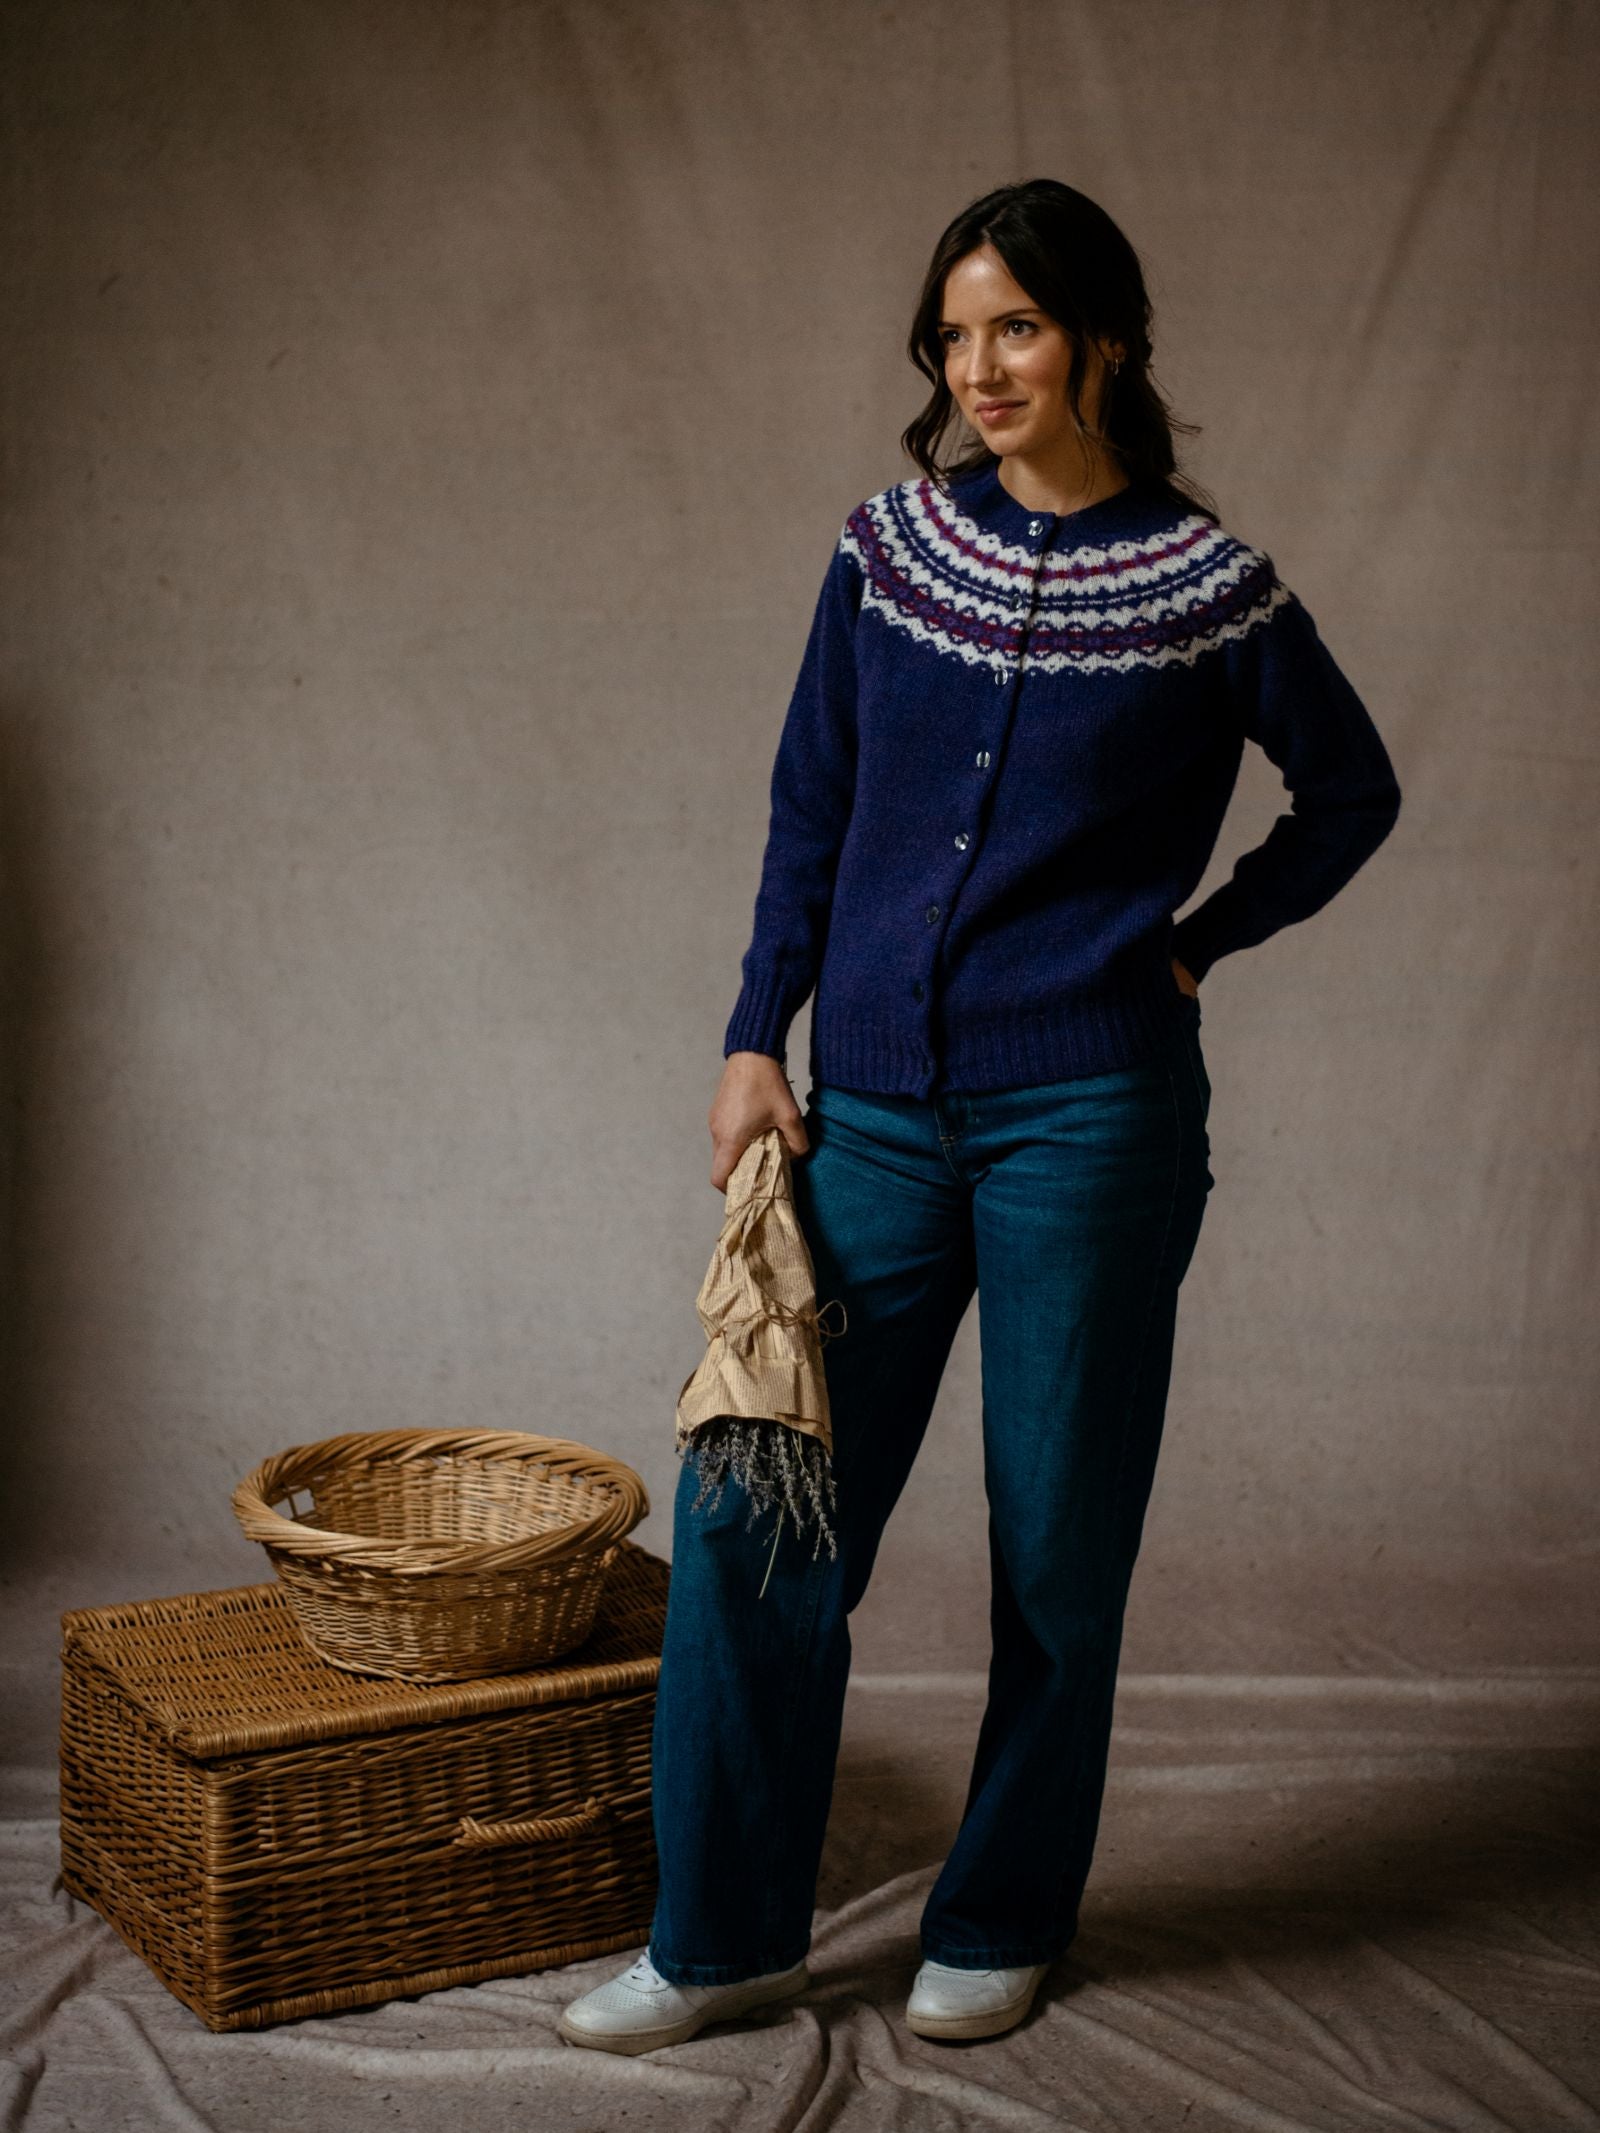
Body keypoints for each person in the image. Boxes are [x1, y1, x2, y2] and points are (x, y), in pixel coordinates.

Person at [560, 177, 1401, 2054]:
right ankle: (721, 1938)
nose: (980, 368)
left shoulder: (1207, 588)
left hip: (1089, 1125)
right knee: (756, 1507)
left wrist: (1196, 943)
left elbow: (1353, 793)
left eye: (1015, 325)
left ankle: (1005, 1909)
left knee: (1056, 1543)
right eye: (954, 335)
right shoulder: (887, 551)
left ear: (1104, 335)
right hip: (865, 1116)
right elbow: (811, 803)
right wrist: (753, 1033)